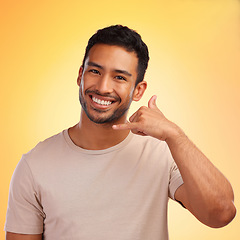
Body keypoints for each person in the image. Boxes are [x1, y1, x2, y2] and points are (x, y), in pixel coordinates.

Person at [5, 25, 236, 240]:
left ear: (138, 90)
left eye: (119, 77)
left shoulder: (162, 154)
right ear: (80, 75)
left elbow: (221, 214)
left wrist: (175, 135)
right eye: (95, 71)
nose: (103, 87)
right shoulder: (34, 165)